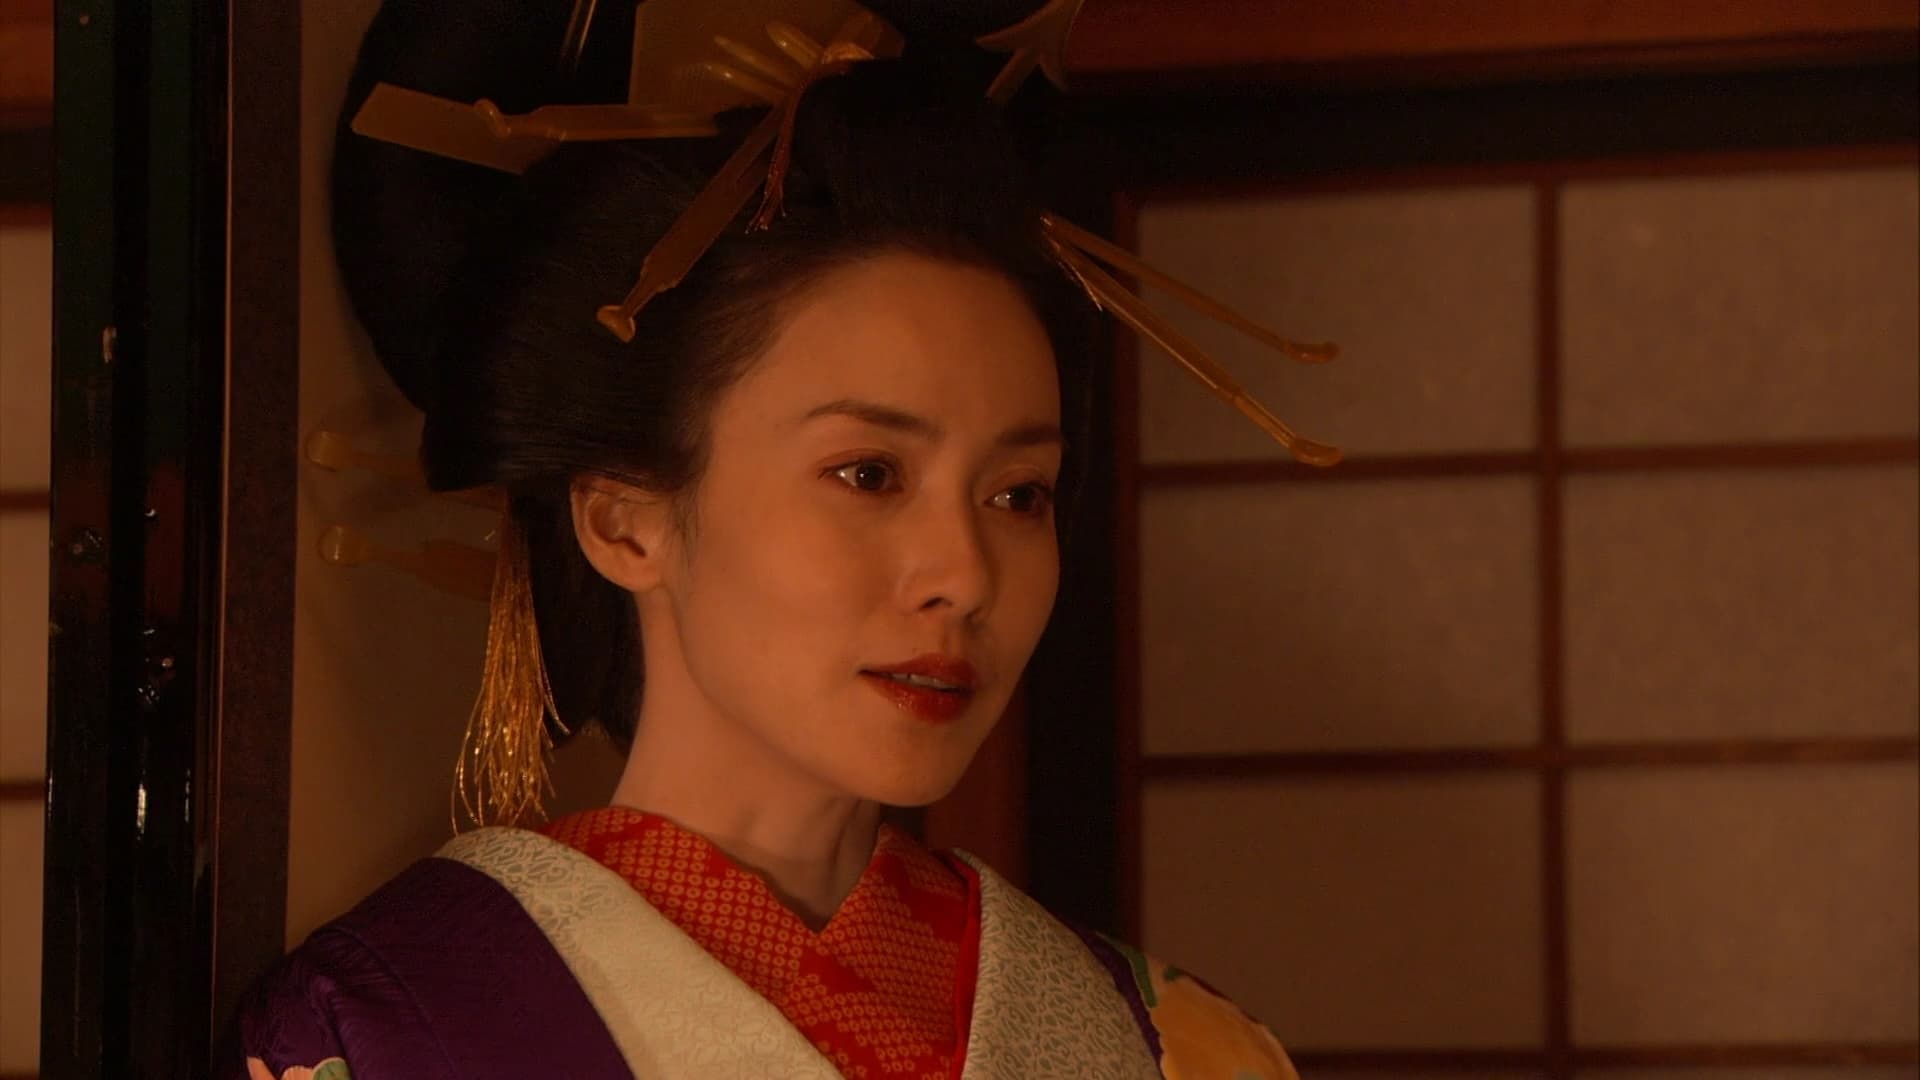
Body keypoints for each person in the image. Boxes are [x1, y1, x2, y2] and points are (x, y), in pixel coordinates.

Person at [236, 1, 1317, 1076]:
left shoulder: (1178, 1046)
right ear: (624, 521)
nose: (963, 574)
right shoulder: (381, 1034)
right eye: (868, 474)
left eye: (1018, 494)